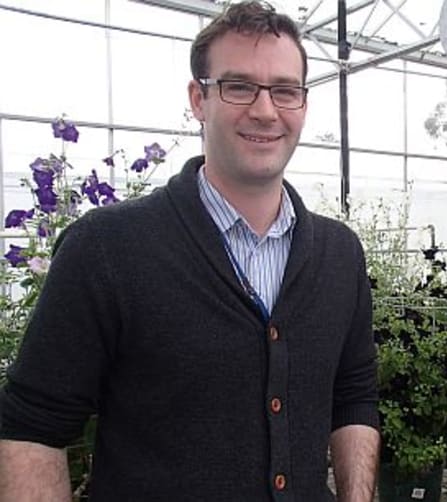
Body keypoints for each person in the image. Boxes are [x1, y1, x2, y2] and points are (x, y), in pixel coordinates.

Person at [0, 2, 380, 500]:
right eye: (239, 86)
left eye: (285, 90)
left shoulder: (339, 255)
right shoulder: (109, 249)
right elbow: (32, 427)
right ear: (198, 99)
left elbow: (353, 397)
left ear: (303, 105)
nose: (265, 110)